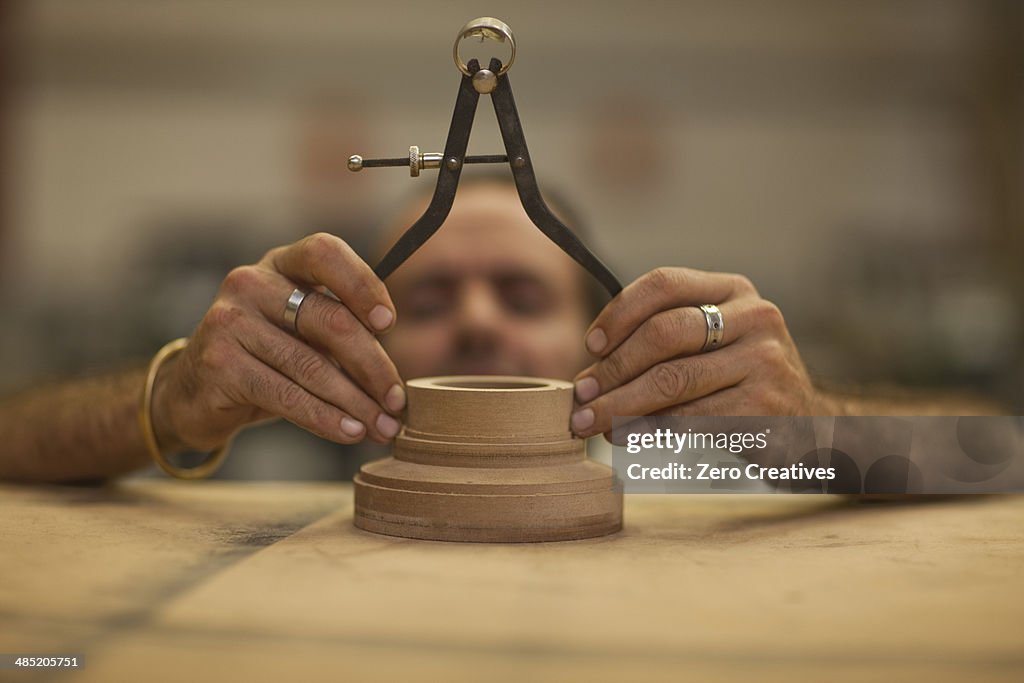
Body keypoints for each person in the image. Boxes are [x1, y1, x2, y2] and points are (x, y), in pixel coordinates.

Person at [0, 176, 1001, 483]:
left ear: (594, 333)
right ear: (368, 346)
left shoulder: (678, 458)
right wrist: (173, 401)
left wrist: (817, 429)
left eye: (521, 296)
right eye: (427, 301)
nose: (476, 321)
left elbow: (995, 456)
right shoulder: (296, 462)